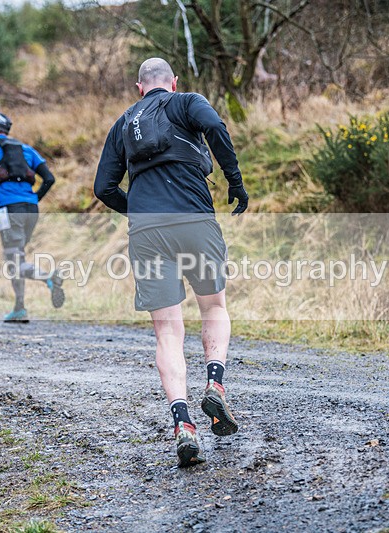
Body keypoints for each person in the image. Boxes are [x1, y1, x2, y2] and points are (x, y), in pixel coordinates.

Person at [94, 58, 249, 467]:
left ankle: (183, 425)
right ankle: (215, 384)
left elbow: (103, 187)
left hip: (147, 233)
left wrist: (140, 214)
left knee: (167, 331)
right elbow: (215, 128)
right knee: (213, 307)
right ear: (173, 82)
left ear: (139, 87)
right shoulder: (187, 102)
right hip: (195, 220)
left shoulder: (124, 123)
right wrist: (234, 180)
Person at [0, 112, 65, 322]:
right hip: (31, 210)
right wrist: (34, 198)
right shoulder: (27, 149)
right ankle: (19, 308)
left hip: (8, 210)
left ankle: (48, 278)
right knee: (17, 257)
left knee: (14, 261)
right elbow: (49, 178)